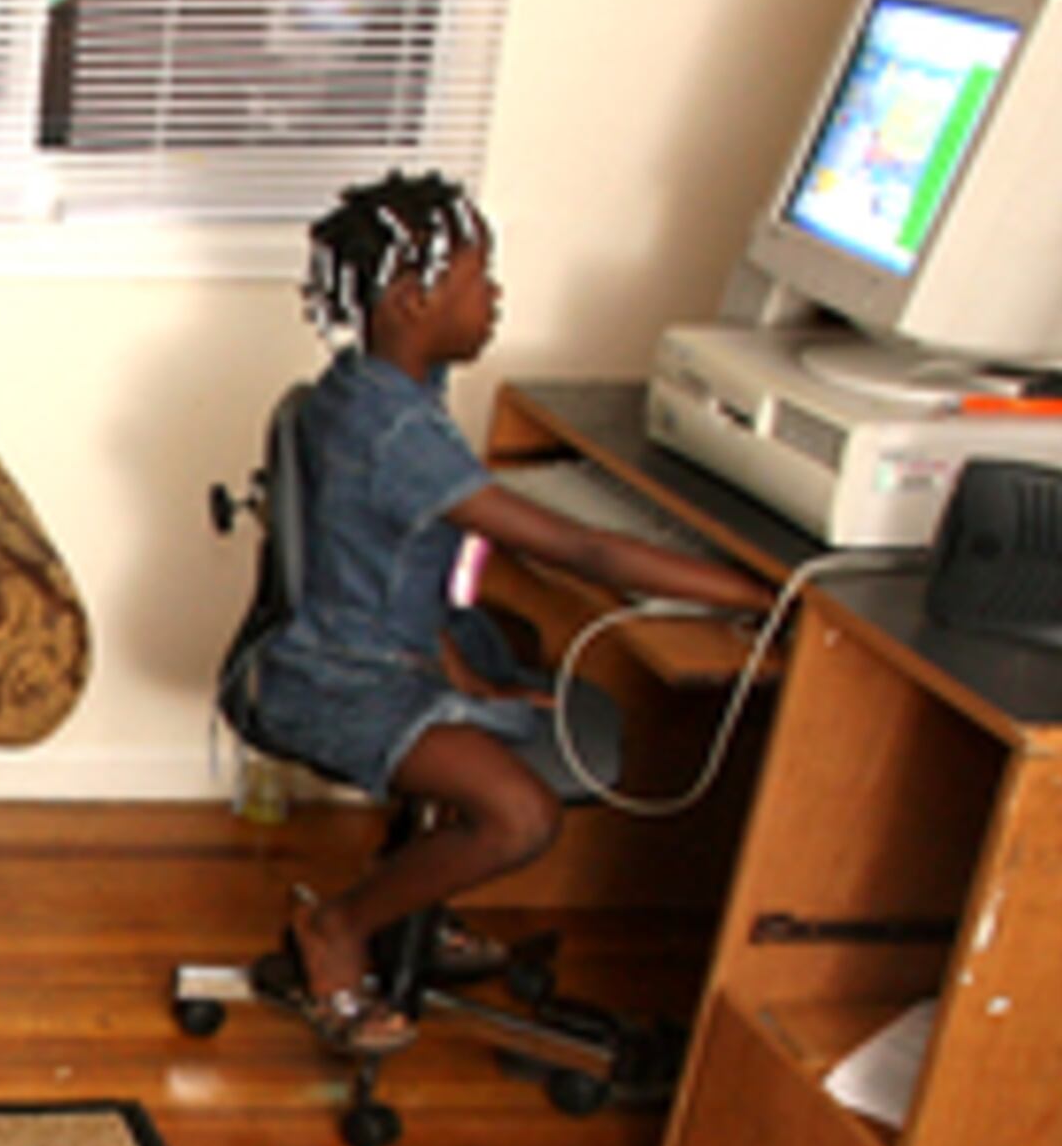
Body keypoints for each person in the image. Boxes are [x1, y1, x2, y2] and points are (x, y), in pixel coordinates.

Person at [235, 170, 768, 1057]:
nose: (497, 298)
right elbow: (583, 550)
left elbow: (384, 558)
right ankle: (341, 926)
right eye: (481, 280)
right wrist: (762, 592)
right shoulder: (397, 433)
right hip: (339, 680)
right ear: (411, 301)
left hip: (375, 645)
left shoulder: (369, 388)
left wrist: (467, 673)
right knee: (521, 817)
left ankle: (414, 903)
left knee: (517, 654)